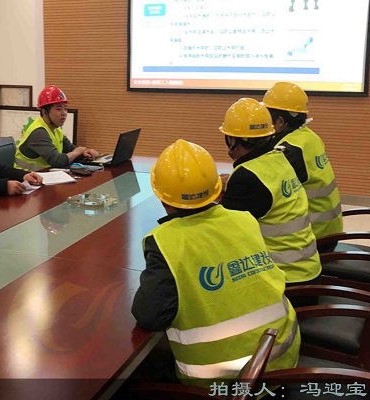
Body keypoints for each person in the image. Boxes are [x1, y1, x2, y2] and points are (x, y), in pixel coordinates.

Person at [131, 139, 300, 388]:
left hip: (224, 382)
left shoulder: (164, 242)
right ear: (217, 188)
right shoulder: (244, 220)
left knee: (137, 378)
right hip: (284, 359)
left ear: (161, 196)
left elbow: (150, 316)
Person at [219, 98, 321, 284]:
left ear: (232, 139)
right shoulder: (280, 158)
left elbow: (224, 233)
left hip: (284, 279)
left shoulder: (246, 177)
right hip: (307, 268)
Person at [262, 82, 343, 252]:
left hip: (314, 237)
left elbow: (262, 188)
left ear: (280, 121)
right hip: (330, 230)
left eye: (267, 117)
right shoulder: (309, 137)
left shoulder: (288, 151)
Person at [14, 85, 99, 171]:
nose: (64, 113)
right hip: (26, 177)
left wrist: (84, 152)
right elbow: (57, 161)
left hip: (45, 175)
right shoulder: (38, 132)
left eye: (65, 108)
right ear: (44, 112)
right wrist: (77, 152)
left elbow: (70, 149)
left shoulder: (56, 129)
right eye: (59, 109)